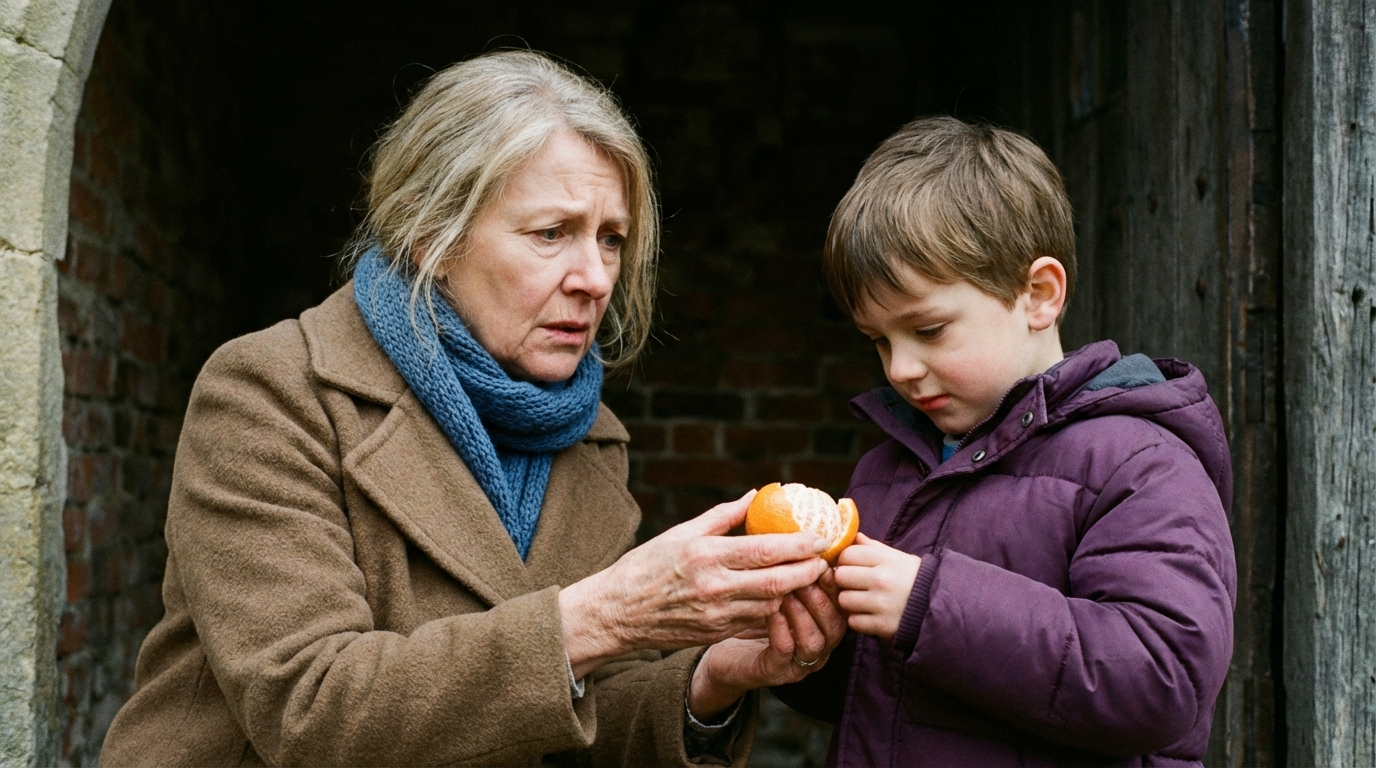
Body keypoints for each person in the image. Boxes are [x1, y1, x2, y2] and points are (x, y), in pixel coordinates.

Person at [101, 51, 847, 767]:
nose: (594, 278)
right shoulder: (272, 393)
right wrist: (606, 614)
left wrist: (713, 678)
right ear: (432, 236)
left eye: (611, 239)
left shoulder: (587, 436)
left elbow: (574, 714)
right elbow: (311, 707)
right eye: (552, 233)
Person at [772, 116, 1236, 766]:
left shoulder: (1138, 461)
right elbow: (879, 697)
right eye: (879, 340)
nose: (900, 368)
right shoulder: (887, 470)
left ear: (1038, 295)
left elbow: (1163, 678)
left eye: (928, 330)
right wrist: (807, 645)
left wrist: (930, 604)